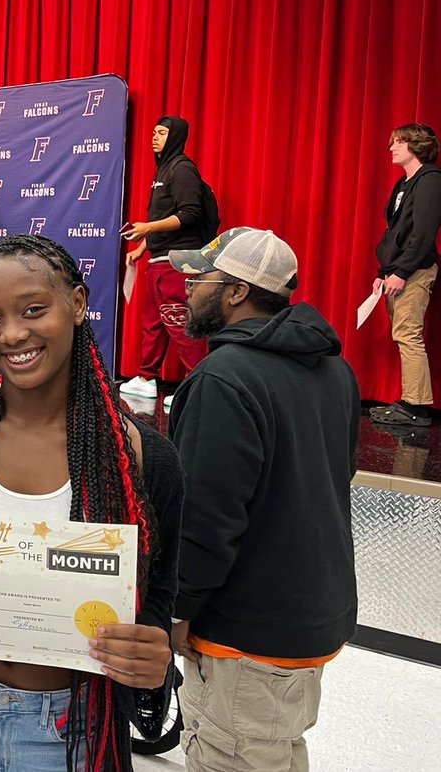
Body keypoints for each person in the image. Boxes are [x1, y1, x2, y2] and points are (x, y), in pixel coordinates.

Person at [0, 235, 184, 772]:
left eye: (34, 309)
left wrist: (153, 647)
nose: (13, 333)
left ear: (79, 302)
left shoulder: (141, 457)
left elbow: (158, 592)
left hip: (74, 729)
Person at [168, 227, 359, 772]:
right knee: (278, 749)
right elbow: (335, 478)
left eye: (199, 277)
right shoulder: (336, 370)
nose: (186, 287)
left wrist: (179, 610)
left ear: (234, 292)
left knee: (234, 753)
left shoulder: (224, 379)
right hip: (309, 618)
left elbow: (204, 519)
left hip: (244, 633)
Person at [120, 116, 210, 406]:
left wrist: (148, 227)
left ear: (176, 137)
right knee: (153, 324)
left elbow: (190, 214)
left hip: (178, 264)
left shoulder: (182, 169)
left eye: (161, 132)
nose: (154, 137)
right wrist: (142, 247)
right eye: (154, 132)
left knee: (179, 323)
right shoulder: (163, 169)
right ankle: (146, 378)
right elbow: (162, 219)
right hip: (158, 261)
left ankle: (197, 385)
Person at [370, 123, 441, 427]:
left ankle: (417, 407)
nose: (392, 148)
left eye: (398, 142)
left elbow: (423, 234)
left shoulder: (430, 180)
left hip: (415, 269)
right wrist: (383, 272)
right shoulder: (404, 184)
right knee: (403, 335)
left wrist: (401, 271)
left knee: (408, 335)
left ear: (417, 145)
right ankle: (409, 402)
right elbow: (396, 232)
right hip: (398, 270)